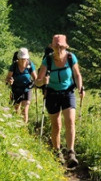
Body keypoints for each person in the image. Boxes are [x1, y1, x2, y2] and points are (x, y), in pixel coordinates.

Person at [34, 34, 85, 167]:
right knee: (56, 125)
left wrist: (80, 88)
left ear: (65, 46)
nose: (59, 49)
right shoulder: (48, 60)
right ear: (52, 47)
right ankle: (57, 152)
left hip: (68, 92)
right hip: (52, 94)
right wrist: (43, 81)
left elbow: (77, 74)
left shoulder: (70, 57)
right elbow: (37, 82)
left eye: (61, 46)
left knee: (70, 121)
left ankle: (71, 152)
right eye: (56, 47)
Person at [5, 47, 36, 123]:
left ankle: (23, 128)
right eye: (22, 59)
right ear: (18, 58)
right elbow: (7, 78)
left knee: (24, 111)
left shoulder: (30, 65)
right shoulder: (14, 65)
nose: (23, 60)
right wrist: (10, 80)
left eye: (25, 59)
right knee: (16, 110)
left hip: (27, 89)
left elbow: (35, 78)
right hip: (16, 89)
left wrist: (36, 84)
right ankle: (17, 126)